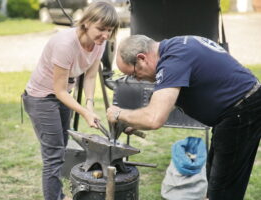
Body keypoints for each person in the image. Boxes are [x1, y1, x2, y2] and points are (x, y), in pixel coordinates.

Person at [107, 34, 261, 200]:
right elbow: (165, 105)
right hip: (236, 110)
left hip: (241, 111)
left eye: (134, 74)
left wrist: (118, 113)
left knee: (224, 190)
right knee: (215, 181)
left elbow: (154, 118)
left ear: (142, 58)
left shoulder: (173, 61)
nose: (137, 79)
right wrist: (136, 123)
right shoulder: (175, 48)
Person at [22, 2, 119, 200]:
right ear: (86, 23)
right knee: (54, 155)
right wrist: (84, 112)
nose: (105, 35)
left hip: (62, 96)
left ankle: (58, 195)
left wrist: (89, 105)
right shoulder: (65, 44)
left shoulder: (99, 43)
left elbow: (91, 76)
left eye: (109, 30)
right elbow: (58, 90)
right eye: (101, 29)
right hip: (41, 97)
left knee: (61, 147)